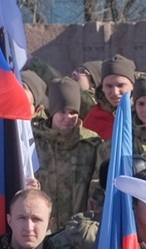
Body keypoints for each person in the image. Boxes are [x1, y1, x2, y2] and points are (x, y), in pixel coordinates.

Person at [35, 78, 104, 218]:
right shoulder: (33, 141)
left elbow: (97, 186)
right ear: (52, 111)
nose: (68, 117)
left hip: (78, 227)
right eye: (62, 111)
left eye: (73, 112)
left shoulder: (91, 143)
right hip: (41, 225)